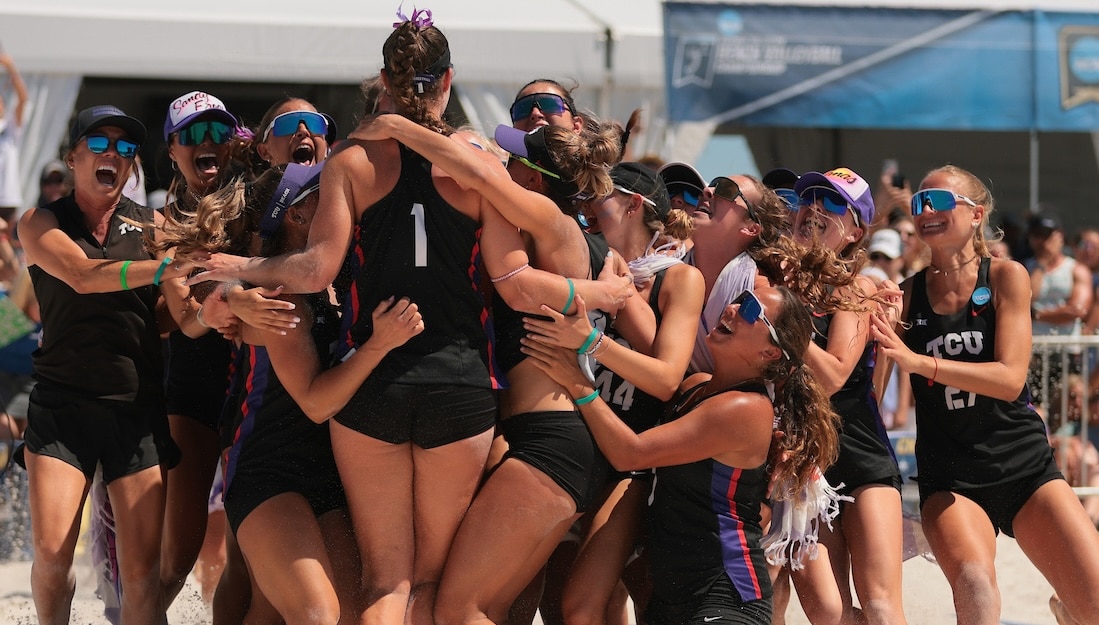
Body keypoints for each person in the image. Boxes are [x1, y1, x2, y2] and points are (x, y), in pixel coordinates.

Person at [185, 12, 632, 625]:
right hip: (459, 381)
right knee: (433, 582)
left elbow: (315, 270)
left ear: (384, 81)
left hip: (375, 384)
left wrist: (245, 266)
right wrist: (595, 291)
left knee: (385, 582)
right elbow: (510, 281)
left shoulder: (351, 161)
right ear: (447, 80)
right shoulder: (479, 162)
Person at [521, 284, 840, 625]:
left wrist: (578, 382)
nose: (733, 308)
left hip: (726, 597)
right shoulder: (696, 387)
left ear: (771, 353)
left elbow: (631, 453)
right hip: (674, 596)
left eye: (751, 310)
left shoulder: (746, 409)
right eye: (740, 299)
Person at [870, 164, 1099, 625]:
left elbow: (1010, 379)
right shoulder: (905, 296)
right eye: (919, 203)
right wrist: (881, 341)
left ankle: (1068, 608)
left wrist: (921, 363)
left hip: (1024, 465)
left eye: (939, 201)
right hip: (951, 476)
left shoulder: (1006, 276)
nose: (926, 210)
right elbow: (872, 401)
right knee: (976, 587)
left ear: (976, 214)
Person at [14, 105, 195, 625]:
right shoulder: (40, 221)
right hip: (62, 405)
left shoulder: (156, 226)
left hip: (136, 407)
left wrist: (215, 308)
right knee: (52, 557)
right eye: (98, 144)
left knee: (140, 576)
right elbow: (81, 275)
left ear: (132, 164)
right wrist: (164, 267)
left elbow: (174, 318)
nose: (112, 153)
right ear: (73, 158)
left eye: (124, 147)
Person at [525, 162, 703, 625]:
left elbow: (666, 379)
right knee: (557, 603)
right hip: (576, 446)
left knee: (583, 604)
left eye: (597, 195)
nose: (584, 205)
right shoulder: (584, 263)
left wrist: (591, 340)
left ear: (633, 205)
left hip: (632, 458)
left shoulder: (679, 278)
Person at [783, 168, 907, 625]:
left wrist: (780, 315)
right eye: (809, 197)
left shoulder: (855, 288)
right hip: (798, 454)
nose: (815, 206)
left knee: (880, 605)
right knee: (829, 612)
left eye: (833, 202)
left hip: (856, 450)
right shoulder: (771, 280)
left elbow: (834, 374)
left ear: (855, 232)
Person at [1025, 210, 1092, 411]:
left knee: (1064, 410)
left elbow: (1077, 310)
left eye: (1047, 235)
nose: (1042, 241)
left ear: (1059, 236)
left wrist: (1036, 315)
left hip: (1065, 353)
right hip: (1033, 354)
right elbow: (1026, 299)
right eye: (1037, 235)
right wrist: (1041, 264)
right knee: (1035, 409)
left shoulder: (1076, 269)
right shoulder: (1025, 268)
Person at [0, 45, 27, 224]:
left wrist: (10, 67)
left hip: (9, 199)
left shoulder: (10, 126)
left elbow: (23, 99)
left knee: (8, 239)